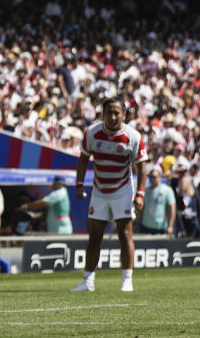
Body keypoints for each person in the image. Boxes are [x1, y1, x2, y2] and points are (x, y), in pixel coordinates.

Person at [71, 97, 147, 293]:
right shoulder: (92, 133)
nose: (113, 117)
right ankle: (87, 281)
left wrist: (140, 194)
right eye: (109, 113)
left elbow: (141, 167)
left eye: (117, 113)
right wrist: (79, 184)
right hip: (100, 191)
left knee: (125, 235)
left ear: (124, 114)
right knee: (95, 237)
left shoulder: (133, 136)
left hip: (122, 190)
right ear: (102, 114)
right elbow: (83, 159)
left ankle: (127, 279)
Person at [139, 167, 176, 235]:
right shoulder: (146, 190)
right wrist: (137, 222)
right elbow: (141, 208)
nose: (152, 179)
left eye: (154, 177)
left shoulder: (167, 190)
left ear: (160, 177)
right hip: (145, 226)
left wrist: (170, 226)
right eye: (150, 177)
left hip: (160, 227)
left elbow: (172, 209)